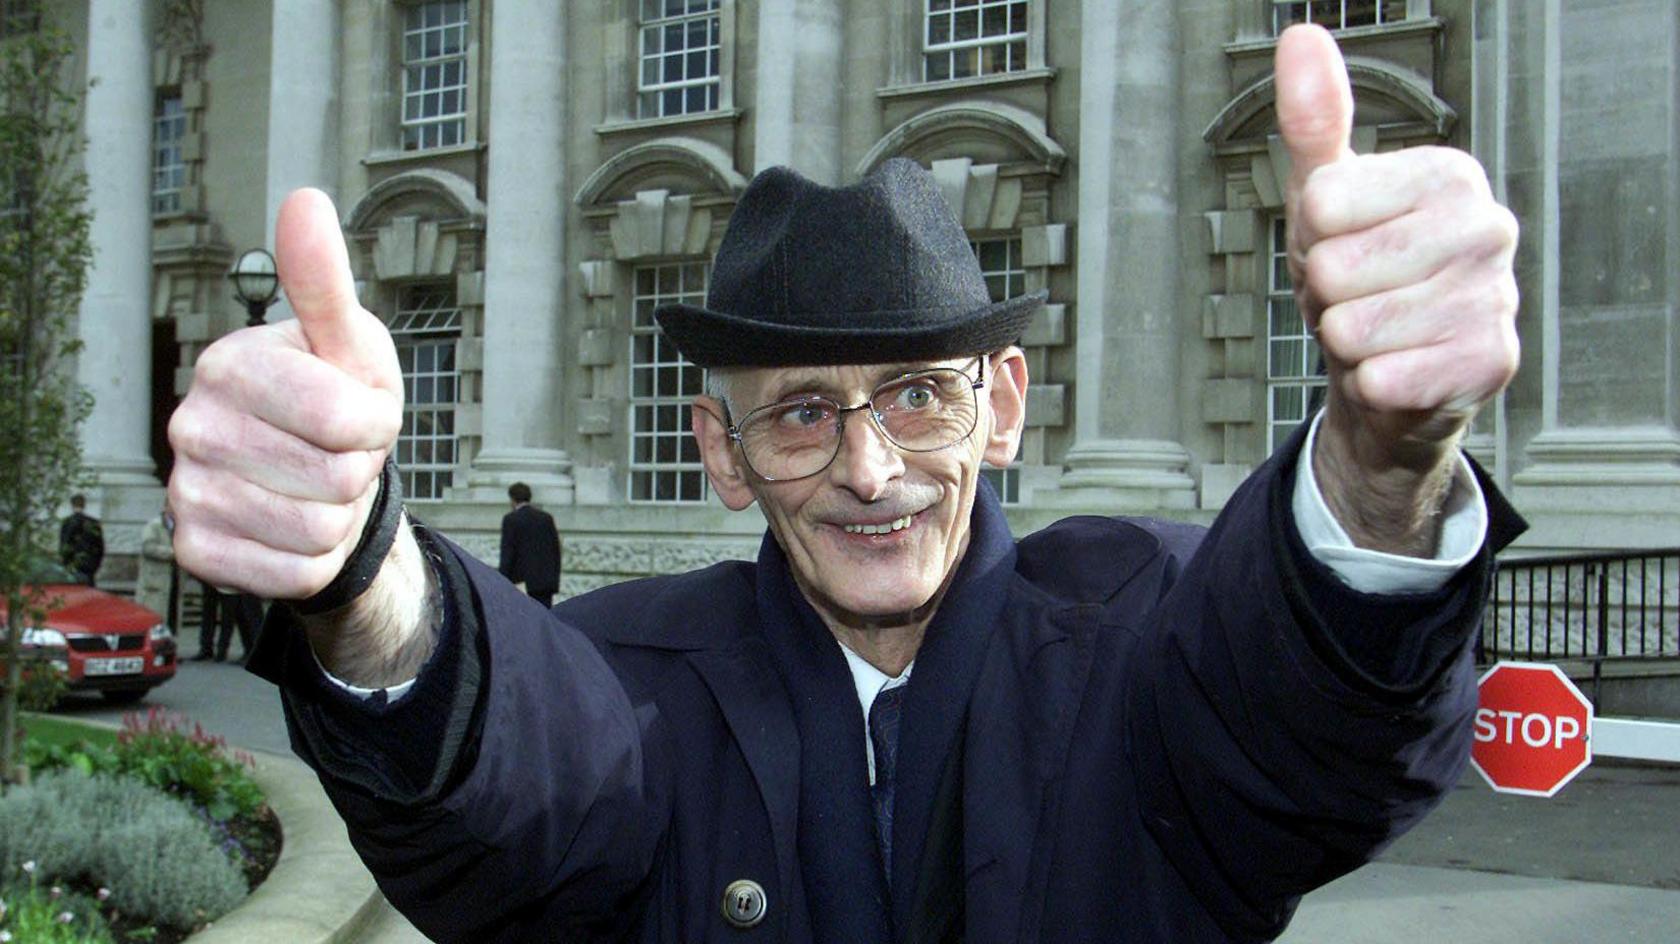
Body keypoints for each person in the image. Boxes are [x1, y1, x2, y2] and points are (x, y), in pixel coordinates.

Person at [166, 28, 1524, 943]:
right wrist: (358, 568)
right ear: (723, 453)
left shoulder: (1143, 636)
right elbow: (510, 773)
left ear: (1001, 407)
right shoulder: (631, 671)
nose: (870, 472)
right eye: (805, 414)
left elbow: (1301, 714)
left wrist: (1380, 456)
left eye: (919, 394)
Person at [498, 481, 562, 607]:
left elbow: (508, 553)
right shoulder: (546, 518)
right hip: (544, 583)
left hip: (521, 583)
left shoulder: (511, 519)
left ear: (512, 499)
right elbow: (555, 551)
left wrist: (501, 581)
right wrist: (554, 581)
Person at [136, 501, 177, 628]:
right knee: (153, 622)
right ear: (166, 507)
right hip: (154, 583)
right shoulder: (154, 526)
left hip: (174, 581)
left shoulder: (180, 528)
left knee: (171, 621)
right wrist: (174, 553)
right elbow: (148, 548)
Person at [57, 493, 104, 586]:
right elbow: (100, 547)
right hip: (89, 564)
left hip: (72, 564)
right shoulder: (93, 522)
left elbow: (64, 545)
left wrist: (65, 563)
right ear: (84, 504)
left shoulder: (67, 523)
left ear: (72, 505)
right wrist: (95, 564)